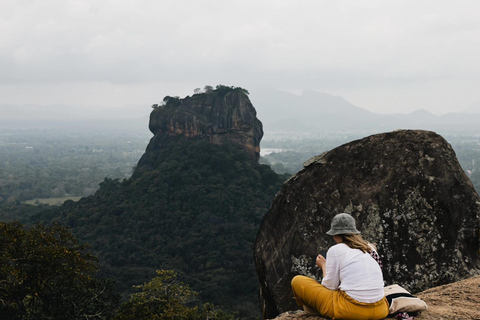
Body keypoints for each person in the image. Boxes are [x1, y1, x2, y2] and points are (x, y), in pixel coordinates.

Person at [291, 213, 389, 320]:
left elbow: (330, 287)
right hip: (381, 309)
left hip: (351, 311)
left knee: (297, 281)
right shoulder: (370, 248)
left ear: (336, 235)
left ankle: (313, 310)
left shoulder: (335, 250)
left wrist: (324, 265)